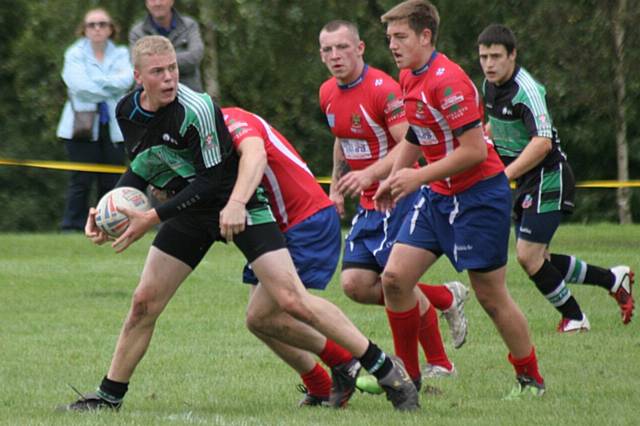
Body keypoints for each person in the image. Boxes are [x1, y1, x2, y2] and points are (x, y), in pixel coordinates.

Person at [58, 36, 418, 412]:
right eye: (158, 72)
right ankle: (108, 397)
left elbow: (212, 181)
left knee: (292, 300)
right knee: (143, 303)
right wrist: (104, 211)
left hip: (240, 207)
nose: (168, 78)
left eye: (173, 69)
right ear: (138, 77)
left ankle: (386, 368)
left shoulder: (197, 109)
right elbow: (142, 166)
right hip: (191, 213)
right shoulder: (128, 111)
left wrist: (151, 216)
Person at [375, 0, 545, 399]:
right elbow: (419, 133)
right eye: (389, 39)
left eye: (400, 37)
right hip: (439, 195)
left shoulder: (446, 80)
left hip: (478, 197)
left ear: (425, 36)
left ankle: (530, 379)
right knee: (395, 279)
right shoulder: (407, 76)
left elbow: (473, 151)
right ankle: (408, 382)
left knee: (490, 295)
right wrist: (395, 174)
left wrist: (415, 177)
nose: (394, 46)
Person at [317, 20, 464, 389]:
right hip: (368, 203)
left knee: (395, 280)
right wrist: (336, 188)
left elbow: (406, 145)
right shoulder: (327, 93)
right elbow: (341, 139)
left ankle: (438, 364)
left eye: (342, 48)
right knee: (354, 284)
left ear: (360, 48)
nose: (335, 56)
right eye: (327, 50)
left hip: (398, 196)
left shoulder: (383, 89)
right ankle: (445, 296)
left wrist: (372, 176)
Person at [477, 24, 634, 331]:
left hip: (549, 176)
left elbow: (542, 142)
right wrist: (485, 135)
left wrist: (503, 175)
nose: (489, 64)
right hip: (525, 181)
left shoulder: (527, 90)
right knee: (539, 258)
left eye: (496, 56)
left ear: (512, 55)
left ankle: (575, 318)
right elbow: (496, 121)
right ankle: (613, 279)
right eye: (483, 57)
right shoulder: (488, 85)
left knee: (528, 256)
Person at [222, 106, 356, 407]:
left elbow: (256, 156)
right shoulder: (204, 140)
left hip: (305, 220)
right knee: (259, 320)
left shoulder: (231, 121)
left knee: (268, 313)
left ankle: (358, 359)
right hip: (275, 227)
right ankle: (322, 383)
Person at [57, 8, 133, 231]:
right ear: (84, 29)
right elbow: (77, 85)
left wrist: (96, 82)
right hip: (81, 126)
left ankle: (107, 225)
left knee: (110, 180)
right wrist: (109, 86)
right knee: (81, 180)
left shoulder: (121, 53)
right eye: (92, 24)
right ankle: (72, 225)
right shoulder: (74, 53)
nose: (97, 28)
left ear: (111, 29)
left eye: (102, 24)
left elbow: (126, 80)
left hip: (114, 127)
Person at [129, 0, 204, 91]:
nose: (157, 3)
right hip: (150, 94)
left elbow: (195, 57)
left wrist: (154, 65)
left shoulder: (189, 25)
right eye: (152, 0)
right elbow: (137, 63)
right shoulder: (137, 32)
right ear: (146, 3)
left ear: (172, 1)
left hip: (189, 91)